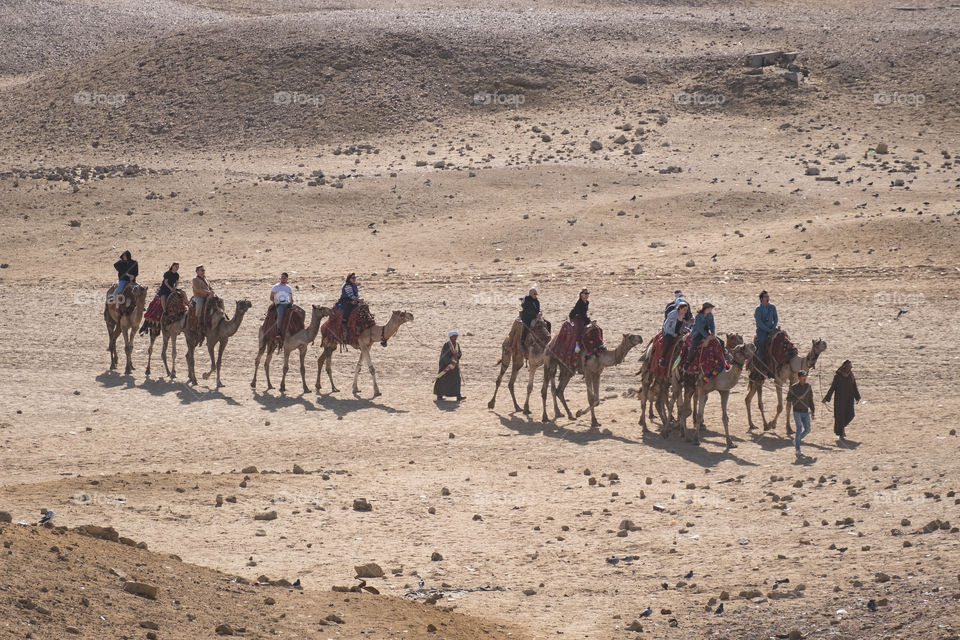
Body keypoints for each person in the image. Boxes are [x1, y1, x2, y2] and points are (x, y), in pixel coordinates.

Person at [823, 360, 860, 443]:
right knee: (840, 417)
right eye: (849, 367)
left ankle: (840, 428)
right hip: (840, 400)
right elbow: (832, 388)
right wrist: (826, 398)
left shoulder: (851, 375)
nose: (850, 368)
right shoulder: (838, 376)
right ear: (845, 367)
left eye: (851, 367)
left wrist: (857, 397)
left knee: (851, 415)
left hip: (849, 399)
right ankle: (841, 433)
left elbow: (854, 387)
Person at [788, 370, 816, 459]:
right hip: (796, 411)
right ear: (799, 378)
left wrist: (813, 412)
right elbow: (788, 398)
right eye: (803, 377)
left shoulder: (808, 387)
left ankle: (796, 440)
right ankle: (798, 450)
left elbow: (811, 400)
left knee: (807, 429)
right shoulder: (793, 388)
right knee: (799, 428)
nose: (804, 378)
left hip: (805, 411)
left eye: (805, 377)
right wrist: (797, 397)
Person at [434, 330, 465, 401]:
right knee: (442, 379)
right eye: (454, 337)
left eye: (456, 337)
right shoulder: (446, 345)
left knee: (456, 379)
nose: (455, 338)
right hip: (446, 366)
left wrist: (458, 355)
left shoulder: (457, 345)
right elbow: (444, 356)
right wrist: (450, 362)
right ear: (450, 337)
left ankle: (458, 395)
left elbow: (459, 353)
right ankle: (439, 395)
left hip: (454, 365)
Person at [660, 301, 689, 367]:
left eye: (686, 310)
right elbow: (666, 326)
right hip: (669, 333)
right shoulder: (672, 315)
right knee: (669, 342)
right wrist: (672, 333)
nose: (685, 311)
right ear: (680, 308)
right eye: (684, 310)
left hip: (678, 333)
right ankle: (662, 358)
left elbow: (681, 326)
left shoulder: (683, 315)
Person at [754, 290, 778, 359]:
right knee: (762, 342)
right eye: (765, 296)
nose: (767, 298)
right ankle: (761, 357)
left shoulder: (772, 307)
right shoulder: (758, 309)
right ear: (761, 299)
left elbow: (776, 318)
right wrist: (767, 330)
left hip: (772, 328)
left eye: (768, 296)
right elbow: (759, 322)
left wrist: (773, 327)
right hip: (762, 330)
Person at [271, 272, 293, 337]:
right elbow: (271, 297)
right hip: (279, 304)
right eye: (282, 277)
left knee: (297, 312)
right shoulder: (276, 287)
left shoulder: (289, 288)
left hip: (287, 304)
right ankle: (279, 330)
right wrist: (276, 301)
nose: (283, 279)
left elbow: (291, 298)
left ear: (287, 279)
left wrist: (291, 303)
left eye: (285, 278)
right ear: (280, 278)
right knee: (280, 314)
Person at [569, 288, 590, 353]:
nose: (587, 295)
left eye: (588, 293)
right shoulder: (579, 303)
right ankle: (577, 345)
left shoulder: (587, 302)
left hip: (583, 317)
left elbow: (584, 313)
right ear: (581, 295)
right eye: (585, 293)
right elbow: (580, 314)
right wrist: (588, 320)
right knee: (579, 328)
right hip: (576, 317)